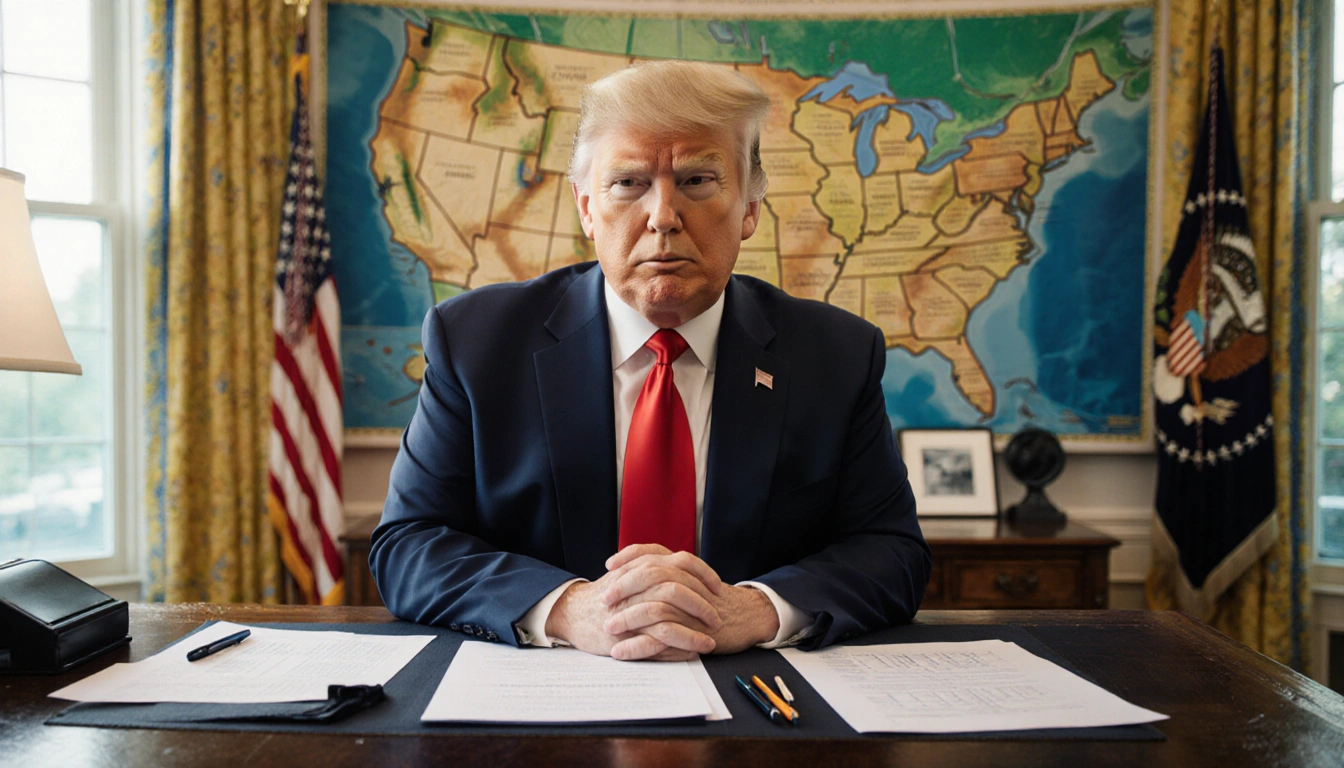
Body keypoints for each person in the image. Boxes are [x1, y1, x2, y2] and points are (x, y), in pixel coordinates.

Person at [370, 60, 930, 661]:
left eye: (697, 180)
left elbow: (891, 550)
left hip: (756, 697)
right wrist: (568, 608)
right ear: (586, 207)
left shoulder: (836, 356)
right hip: (546, 693)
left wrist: (756, 608)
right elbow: (409, 543)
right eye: (629, 183)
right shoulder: (477, 342)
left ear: (749, 208)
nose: (663, 215)